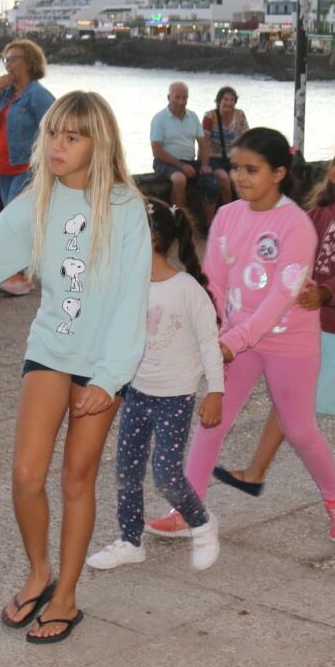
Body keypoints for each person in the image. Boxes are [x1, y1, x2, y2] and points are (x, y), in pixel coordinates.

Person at [0, 90, 149, 643]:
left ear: (97, 143)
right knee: (27, 474)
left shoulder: (126, 208)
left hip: (104, 362)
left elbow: (131, 301)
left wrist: (109, 378)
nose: (57, 144)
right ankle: (39, 572)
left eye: (72, 136)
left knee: (78, 478)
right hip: (50, 351)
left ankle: (68, 596)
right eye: (53, 132)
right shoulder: (34, 205)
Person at [162, 128, 335, 544]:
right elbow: (214, 282)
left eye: (253, 169)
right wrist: (209, 330)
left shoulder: (296, 226)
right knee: (213, 421)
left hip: (288, 344)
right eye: (236, 168)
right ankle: (188, 509)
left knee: (300, 430)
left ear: (279, 172)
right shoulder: (228, 216)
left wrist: (232, 341)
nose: (242, 177)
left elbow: (281, 298)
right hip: (237, 340)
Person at [212, 144, 335, 511]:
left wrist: (327, 291)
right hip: (318, 323)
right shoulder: (314, 217)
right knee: (289, 397)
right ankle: (255, 471)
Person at [87, 199, 224, 573]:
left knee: (165, 473)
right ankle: (130, 541)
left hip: (175, 397)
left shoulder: (185, 289)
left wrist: (216, 391)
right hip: (137, 392)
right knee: (126, 471)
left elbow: (210, 342)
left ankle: (201, 523)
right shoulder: (128, 287)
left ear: (151, 239)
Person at [0, 39, 57, 295]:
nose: (8, 65)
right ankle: (26, 272)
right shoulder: (5, 92)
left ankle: (16, 275)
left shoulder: (37, 95)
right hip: (3, 170)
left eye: (13, 59)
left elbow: (55, 127)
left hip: (27, 169)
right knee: (19, 222)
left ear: (29, 62)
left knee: (10, 221)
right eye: (6, 60)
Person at [150, 81, 214, 214]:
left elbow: (204, 145)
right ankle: (179, 218)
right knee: (179, 180)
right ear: (169, 97)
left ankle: (209, 225)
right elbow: (157, 151)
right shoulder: (159, 119)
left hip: (189, 162)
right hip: (165, 162)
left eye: (184, 98)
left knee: (211, 182)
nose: (181, 101)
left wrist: (204, 165)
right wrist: (181, 166)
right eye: (177, 97)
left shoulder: (193, 117)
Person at [201, 86, 248, 206]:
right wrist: (203, 164)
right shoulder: (210, 116)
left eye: (232, 100)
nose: (229, 103)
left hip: (234, 158)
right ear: (219, 101)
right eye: (225, 99)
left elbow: (247, 138)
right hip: (214, 158)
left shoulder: (240, 115)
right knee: (224, 178)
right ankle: (229, 211)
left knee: (240, 180)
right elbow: (204, 142)